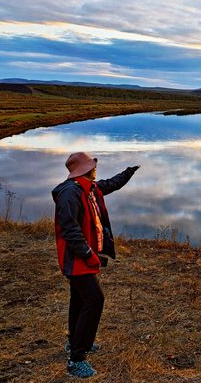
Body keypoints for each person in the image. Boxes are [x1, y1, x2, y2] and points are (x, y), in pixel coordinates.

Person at [52, 152, 139, 378]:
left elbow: (111, 184)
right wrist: (89, 254)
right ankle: (77, 359)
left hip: (83, 258)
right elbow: (69, 231)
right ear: (83, 169)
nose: (95, 169)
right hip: (77, 259)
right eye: (92, 166)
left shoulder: (89, 188)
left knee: (80, 299)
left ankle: (75, 342)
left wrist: (129, 172)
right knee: (94, 299)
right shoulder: (71, 193)